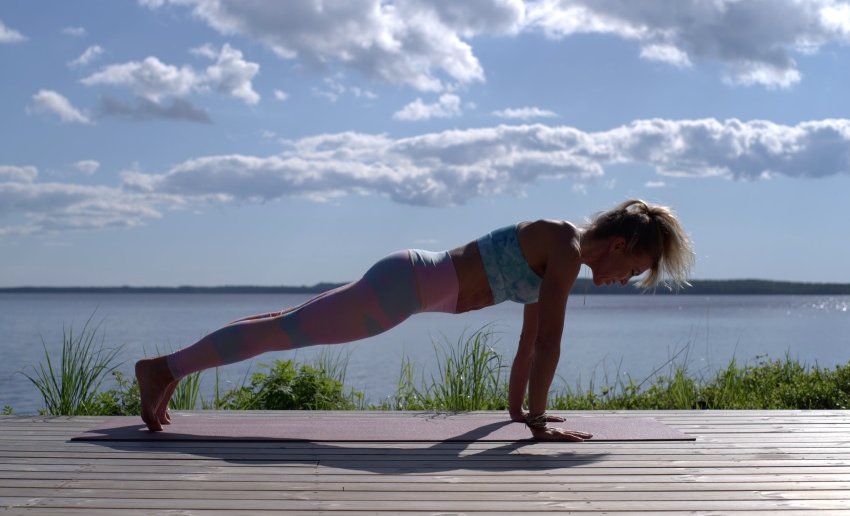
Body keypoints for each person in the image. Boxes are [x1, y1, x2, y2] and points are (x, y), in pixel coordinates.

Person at [136, 199, 694, 440]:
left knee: (286, 323)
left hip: (408, 282)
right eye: (635, 267)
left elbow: (529, 342)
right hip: (407, 286)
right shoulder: (566, 247)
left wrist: (520, 411)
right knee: (286, 331)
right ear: (619, 244)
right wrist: (542, 421)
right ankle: (165, 369)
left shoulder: (560, 250)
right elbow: (550, 340)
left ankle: (168, 369)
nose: (627, 279)